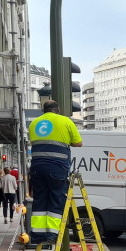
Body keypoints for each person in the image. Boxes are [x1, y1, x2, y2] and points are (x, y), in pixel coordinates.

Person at [28, 99, 82, 243]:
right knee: (56, 198)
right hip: (57, 167)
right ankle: (52, 234)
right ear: (57, 110)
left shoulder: (34, 124)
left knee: (39, 199)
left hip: (36, 167)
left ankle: (37, 235)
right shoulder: (65, 121)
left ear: (43, 111)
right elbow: (78, 143)